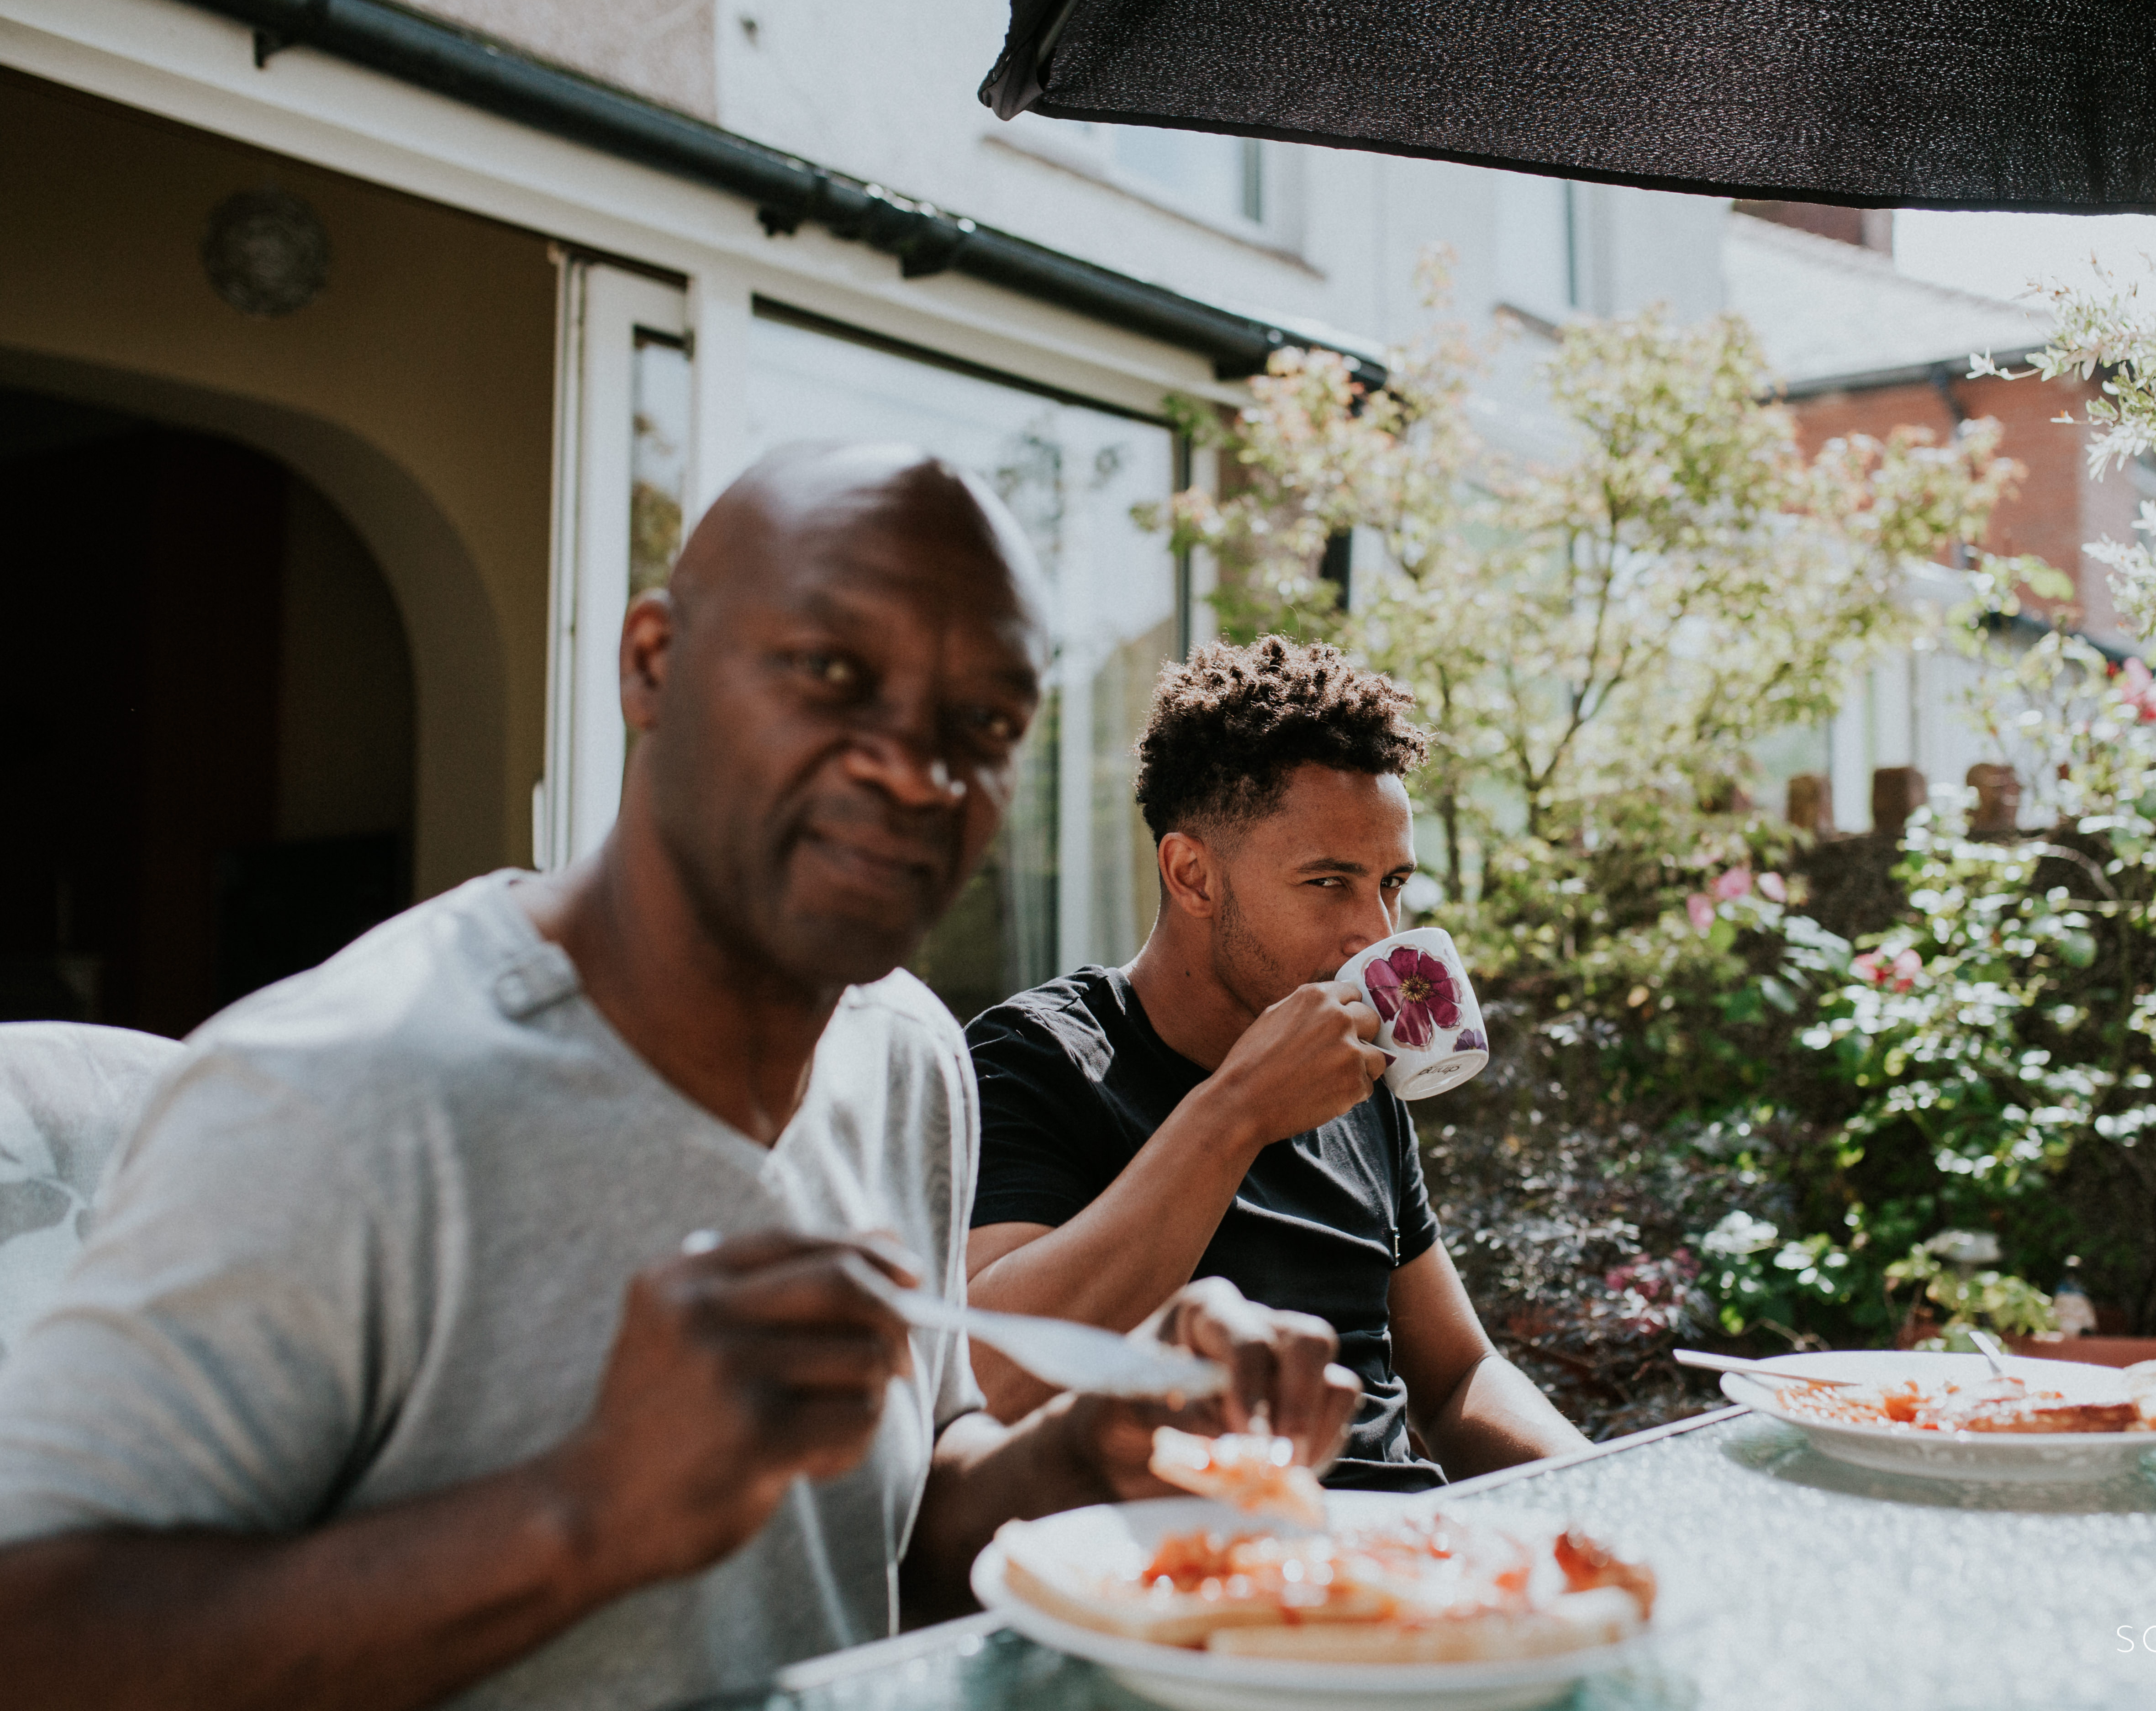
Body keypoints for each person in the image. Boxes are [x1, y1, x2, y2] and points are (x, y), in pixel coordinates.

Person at [0, 447, 1358, 1711]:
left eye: (983, 721)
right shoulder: (339, 1090)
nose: (916, 770)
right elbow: (39, 1638)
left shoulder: (903, 1054)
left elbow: (896, 1534)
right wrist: (589, 1510)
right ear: (651, 663)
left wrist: (1086, 1448)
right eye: (830, 673)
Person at [965, 637, 1589, 1489]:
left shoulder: (1362, 1077)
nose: (1376, 930)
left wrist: (1606, 1493)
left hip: (1413, 1559)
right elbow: (988, 1382)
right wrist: (1238, 1113)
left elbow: (1455, 1381)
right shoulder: (1037, 1059)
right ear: (1191, 875)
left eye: (1393, 883)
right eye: (1329, 882)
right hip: (1189, 1576)